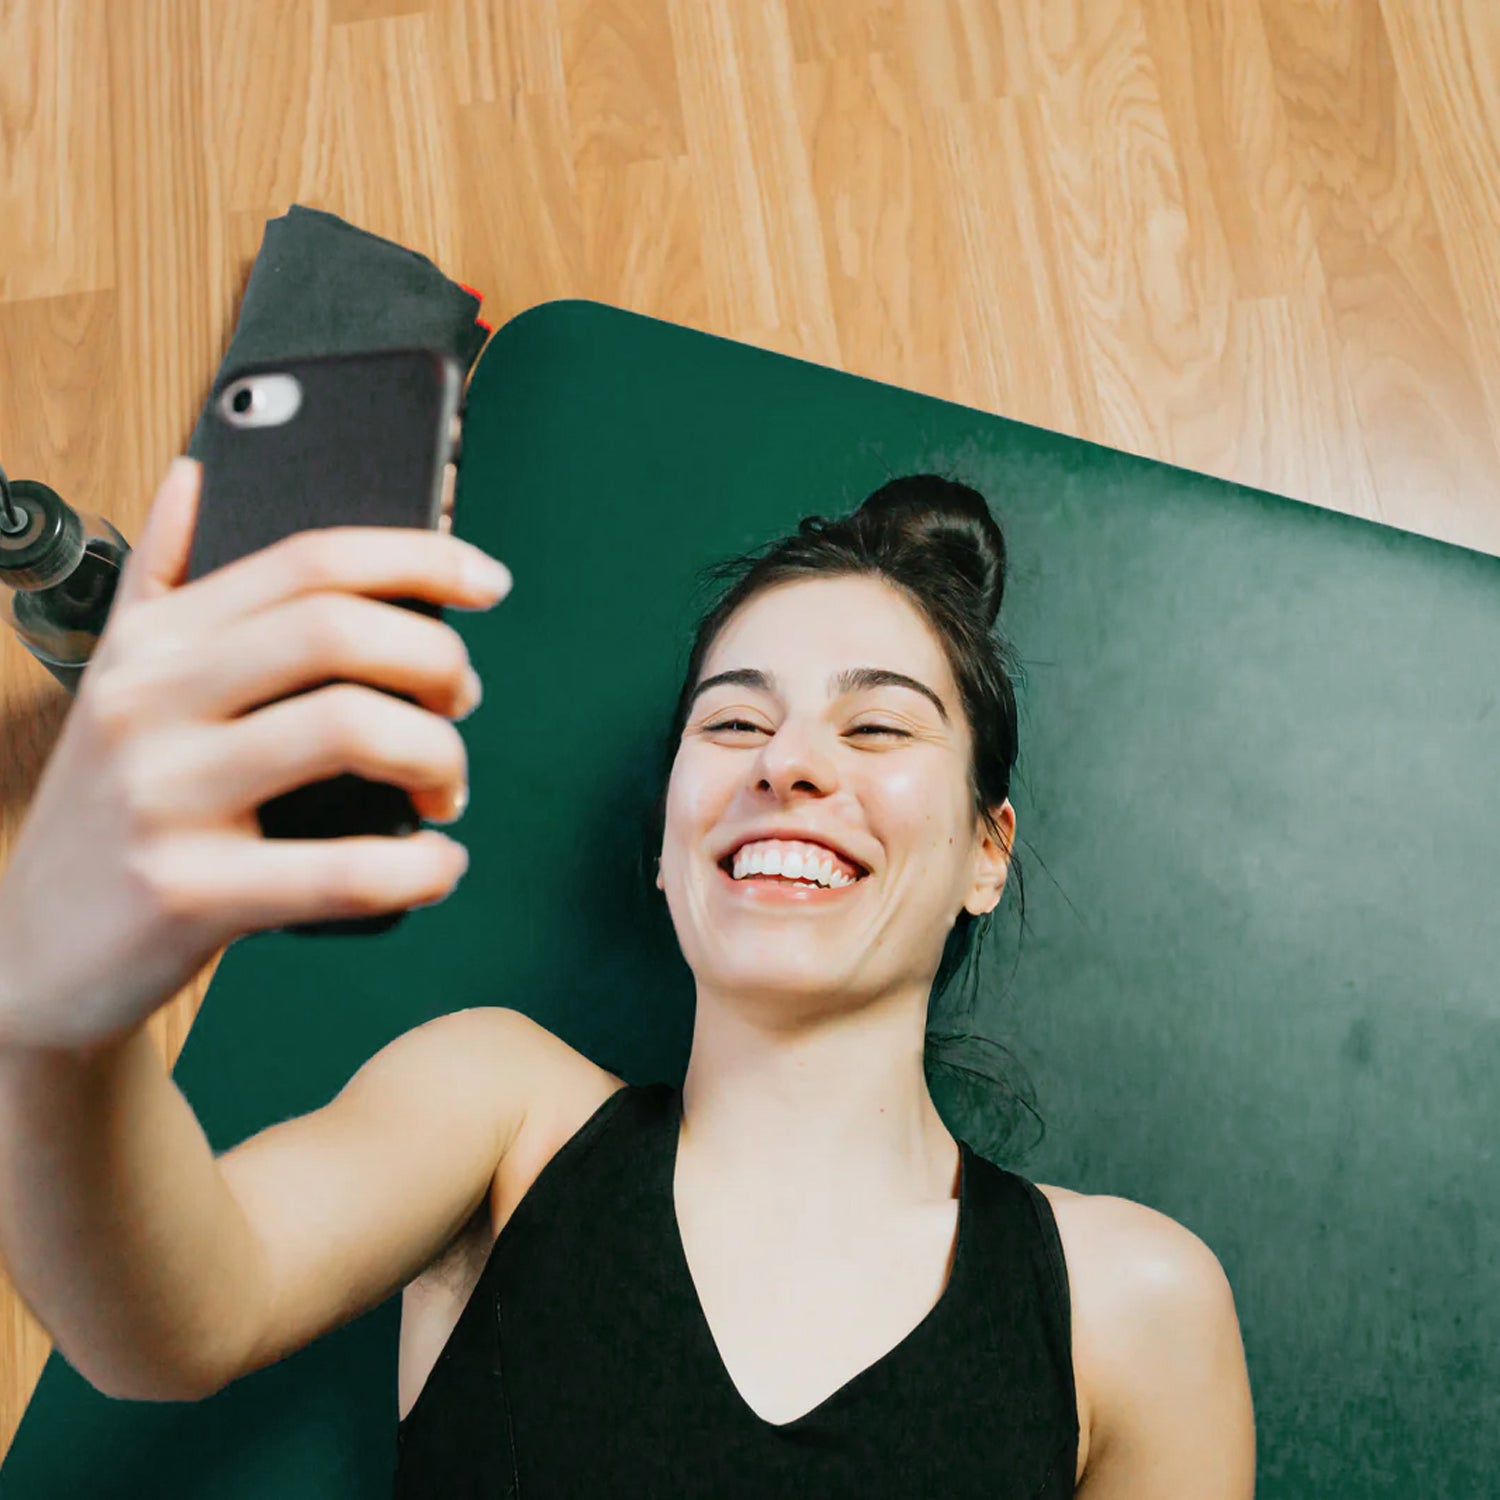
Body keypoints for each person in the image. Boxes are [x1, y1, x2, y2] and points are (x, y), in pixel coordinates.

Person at [0, 458, 1254, 1496]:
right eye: (734, 722)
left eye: (877, 726)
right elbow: (165, 1325)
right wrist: (56, 1014)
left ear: (988, 850)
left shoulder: (1135, 1307)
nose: (788, 764)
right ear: (667, 844)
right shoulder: (500, 1112)